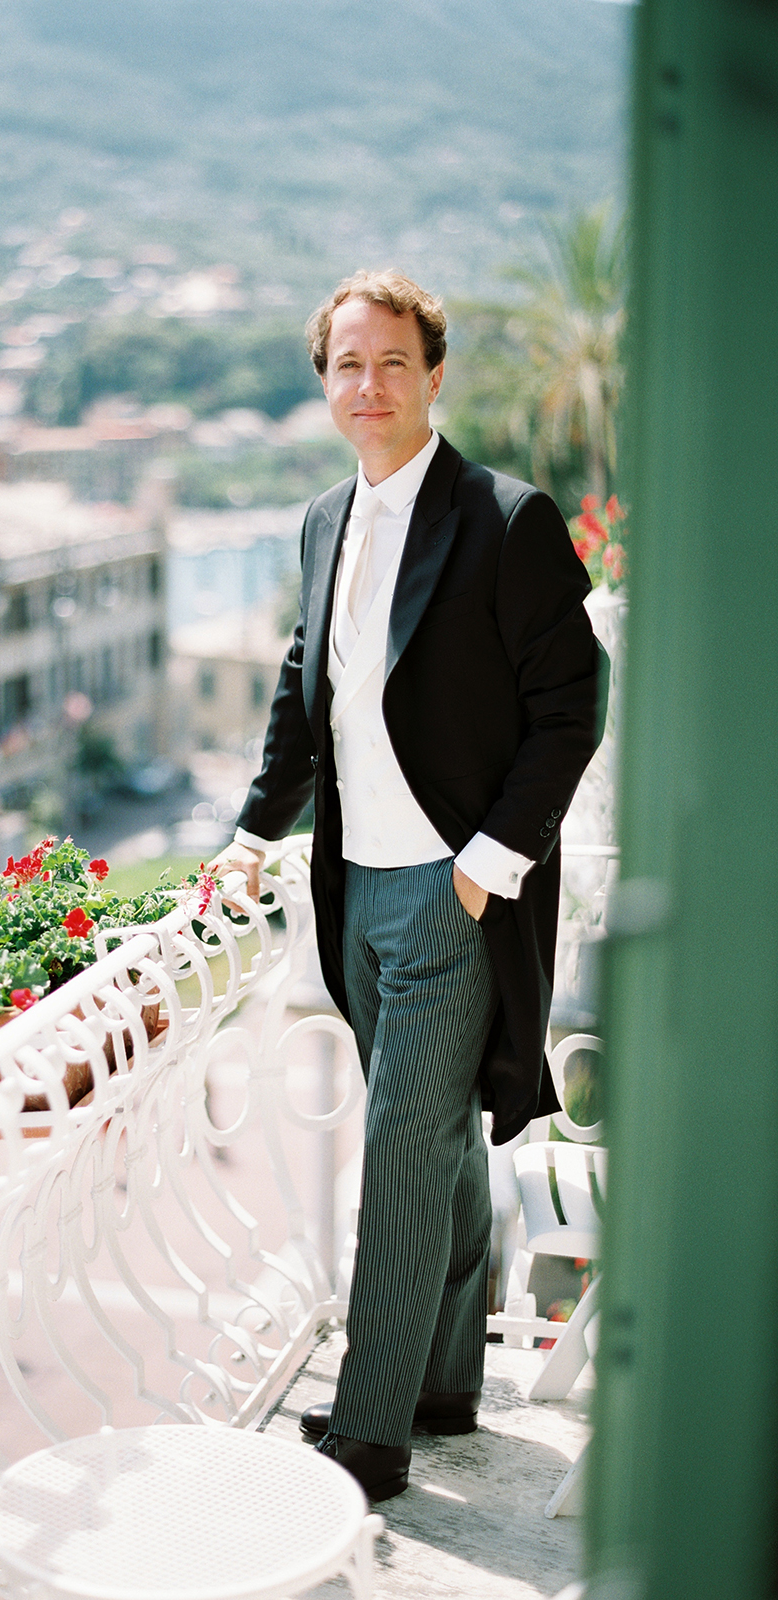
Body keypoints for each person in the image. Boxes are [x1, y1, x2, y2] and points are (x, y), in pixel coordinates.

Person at [209, 269, 605, 1503]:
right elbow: (299, 698)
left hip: (451, 888)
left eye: (391, 363)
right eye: (345, 365)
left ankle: (372, 1434)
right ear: (324, 384)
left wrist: (488, 865)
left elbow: (569, 705)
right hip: (352, 889)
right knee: (435, 1142)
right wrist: (247, 831)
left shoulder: (506, 517)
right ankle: (443, 1380)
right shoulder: (329, 518)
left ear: (434, 375)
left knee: (394, 1149)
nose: (367, 385)